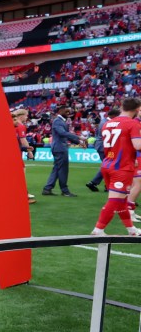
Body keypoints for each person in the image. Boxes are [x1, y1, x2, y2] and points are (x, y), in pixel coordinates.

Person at [90, 97, 141, 236]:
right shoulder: (132, 124)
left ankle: (132, 230)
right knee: (115, 200)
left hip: (107, 164)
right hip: (121, 167)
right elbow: (138, 145)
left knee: (122, 200)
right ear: (137, 109)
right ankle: (98, 229)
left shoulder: (108, 123)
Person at [42, 106, 83, 197]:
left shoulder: (60, 121)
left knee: (57, 168)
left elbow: (65, 135)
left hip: (59, 148)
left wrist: (78, 142)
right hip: (60, 148)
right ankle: (64, 191)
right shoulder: (58, 121)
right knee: (63, 169)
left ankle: (47, 188)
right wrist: (78, 137)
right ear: (60, 111)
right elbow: (62, 133)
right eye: (66, 110)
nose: (69, 112)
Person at [86, 107, 121, 192]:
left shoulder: (103, 121)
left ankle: (105, 185)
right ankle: (94, 182)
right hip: (104, 147)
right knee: (109, 165)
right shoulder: (108, 123)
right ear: (114, 115)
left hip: (101, 145)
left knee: (108, 165)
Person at [12, 108, 37, 204]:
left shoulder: (12, 125)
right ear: (21, 116)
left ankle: (23, 194)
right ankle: (22, 196)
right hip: (16, 154)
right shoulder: (21, 126)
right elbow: (23, 141)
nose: (27, 117)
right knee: (21, 174)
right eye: (26, 115)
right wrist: (29, 151)